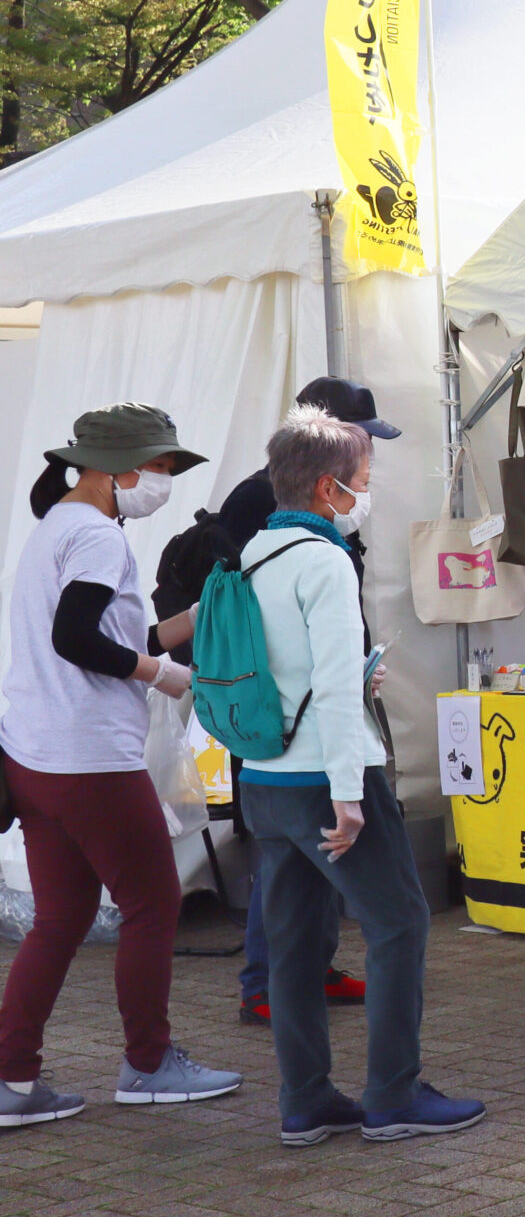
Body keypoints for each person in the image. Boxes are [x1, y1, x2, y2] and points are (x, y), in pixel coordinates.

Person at [234, 406, 482, 1146]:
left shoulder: (253, 552)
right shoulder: (324, 560)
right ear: (326, 487)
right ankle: (393, 1094)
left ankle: (305, 1100)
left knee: (292, 945)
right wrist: (348, 795)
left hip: (265, 778)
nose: (365, 494)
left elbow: (278, 669)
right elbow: (339, 685)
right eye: (362, 480)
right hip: (327, 774)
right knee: (399, 923)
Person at [0, 404, 244, 1127]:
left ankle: (12, 1078)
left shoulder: (58, 527)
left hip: (32, 754)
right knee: (153, 904)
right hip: (90, 758)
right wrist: (161, 675)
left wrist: (193, 619)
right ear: (113, 470)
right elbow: (77, 638)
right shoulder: (98, 536)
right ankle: (148, 1063)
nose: (164, 481)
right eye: (158, 467)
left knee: (60, 919)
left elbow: (115, 632)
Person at [174, 377, 397, 1025]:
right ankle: (268, 984)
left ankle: (303, 984)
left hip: (302, 721)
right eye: (359, 443)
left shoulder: (301, 517)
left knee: (303, 872)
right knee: (364, 903)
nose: (367, 459)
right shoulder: (267, 506)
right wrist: (349, 778)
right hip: (287, 726)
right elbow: (265, 622)